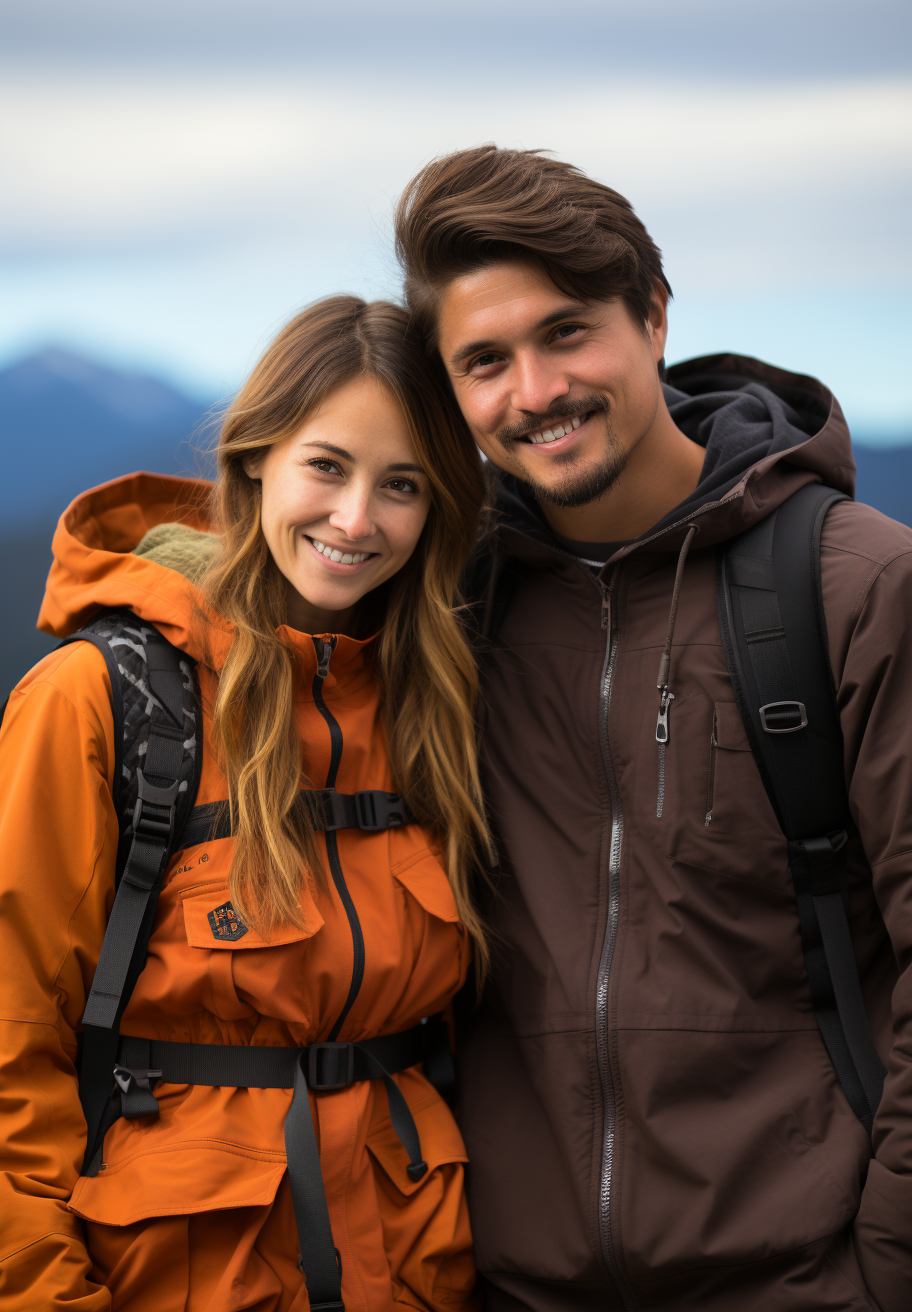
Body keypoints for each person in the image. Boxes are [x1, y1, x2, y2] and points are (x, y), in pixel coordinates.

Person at [394, 145, 912, 1311]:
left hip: (807, 1278)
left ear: (655, 317)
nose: (534, 392)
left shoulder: (854, 587)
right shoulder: (448, 613)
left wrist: (886, 1269)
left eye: (567, 332)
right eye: (485, 361)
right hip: (509, 1283)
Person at [0, 295, 492, 1312]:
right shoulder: (101, 701)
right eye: (327, 465)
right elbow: (11, 1053)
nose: (358, 520)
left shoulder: (440, 710)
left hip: (415, 1276)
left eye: (402, 484)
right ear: (257, 456)